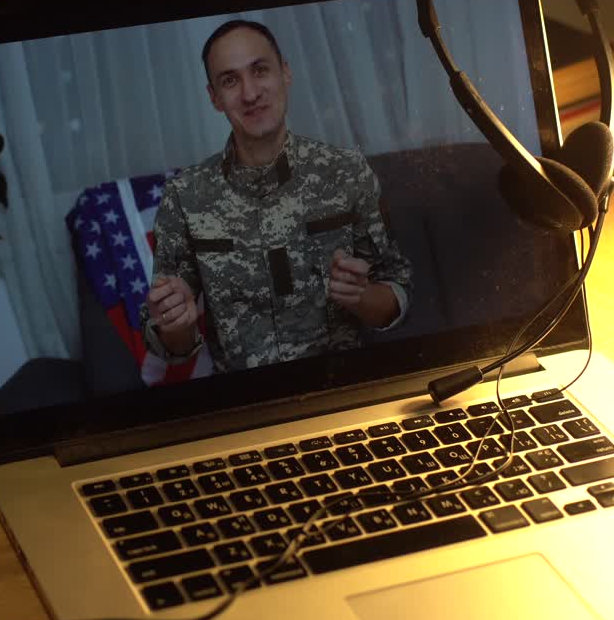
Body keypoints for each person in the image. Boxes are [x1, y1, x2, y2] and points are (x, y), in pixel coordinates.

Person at [140, 19, 412, 374]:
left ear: (285, 73)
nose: (250, 93)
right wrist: (176, 325)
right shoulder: (185, 197)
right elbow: (171, 343)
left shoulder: (345, 172)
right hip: (246, 406)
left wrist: (363, 297)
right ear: (214, 98)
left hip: (342, 390)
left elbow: (397, 293)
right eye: (230, 80)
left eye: (260, 70)